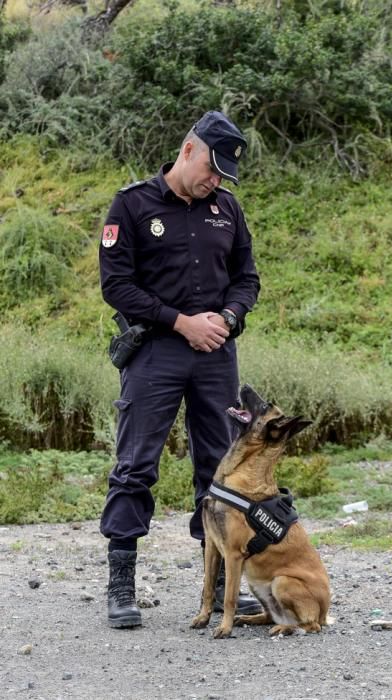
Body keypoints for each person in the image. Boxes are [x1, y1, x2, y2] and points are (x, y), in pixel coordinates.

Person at [99, 110, 261, 628]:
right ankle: (121, 586)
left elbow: (247, 279)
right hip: (155, 353)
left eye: (223, 175)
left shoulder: (226, 210)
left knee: (219, 469)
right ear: (188, 149)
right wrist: (180, 322)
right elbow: (116, 285)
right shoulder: (132, 204)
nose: (216, 180)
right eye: (212, 168)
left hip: (216, 354)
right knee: (136, 464)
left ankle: (217, 586)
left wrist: (228, 317)